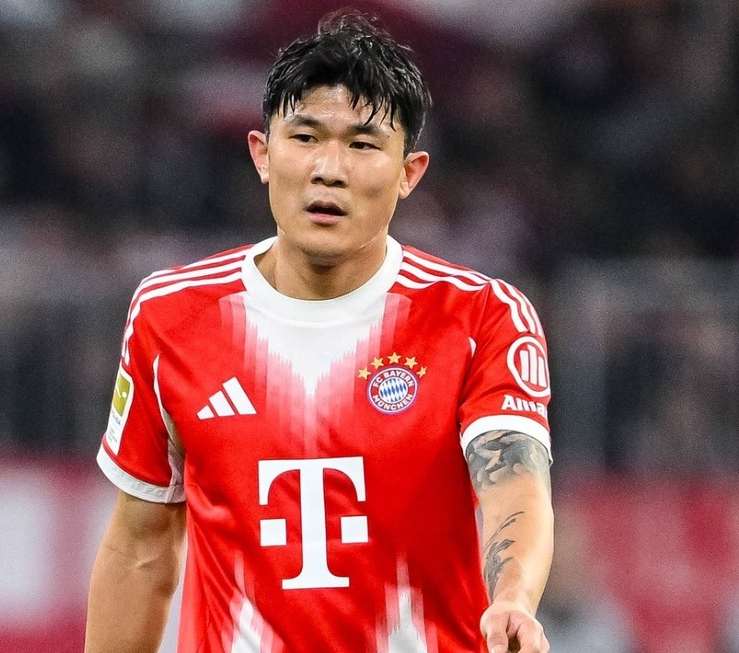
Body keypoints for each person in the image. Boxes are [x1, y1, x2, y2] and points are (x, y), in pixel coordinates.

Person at [86, 10, 554, 653]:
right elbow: (140, 546)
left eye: (363, 145)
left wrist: (514, 597)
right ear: (262, 153)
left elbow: (514, 483)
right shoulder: (171, 315)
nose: (329, 169)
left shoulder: (481, 316)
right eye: (306, 137)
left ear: (410, 173)